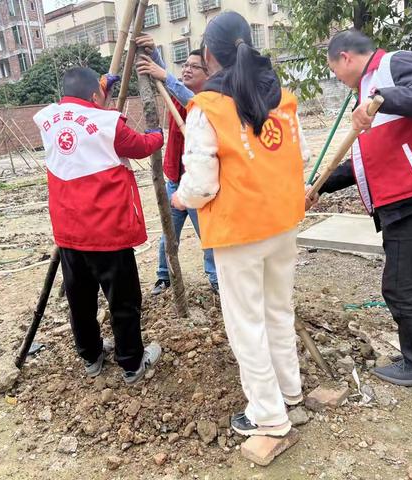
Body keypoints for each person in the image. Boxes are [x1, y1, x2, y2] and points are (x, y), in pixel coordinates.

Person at [171, 11, 308, 437]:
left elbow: (201, 185)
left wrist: (181, 197)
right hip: (283, 222)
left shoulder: (207, 107)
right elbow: (296, 156)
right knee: (277, 311)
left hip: (239, 231)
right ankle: (290, 391)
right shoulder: (281, 97)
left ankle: (267, 414)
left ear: (208, 54)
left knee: (246, 322)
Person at [33, 67, 163, 385]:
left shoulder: (48, 120)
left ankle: (91, 357)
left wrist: (103, 83)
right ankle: (132, 363)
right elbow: (143, 145)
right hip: (108, 233)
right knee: (123, 301)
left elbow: (81, 113)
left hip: (69, 234)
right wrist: (161, 133)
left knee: (80, 300)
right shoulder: (109, 125)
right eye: (100, 93)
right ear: (95, 96)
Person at [307, 29, 412, 386]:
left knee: (400, 287)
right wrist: (320, 187)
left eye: (333, 69)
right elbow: (362, 162)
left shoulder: (391, 66)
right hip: (396, 204)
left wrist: (380, 97)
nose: (335, 77)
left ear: (346, 57)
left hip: (410, 199)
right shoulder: (364, 96)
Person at [135, 34, 219, 295]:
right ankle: (164, 275)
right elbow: (172, 84)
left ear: (209, 73)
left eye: (195, 66)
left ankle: (216, 278)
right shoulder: (178, 93)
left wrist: (162, 71)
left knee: (208, 234)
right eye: (185, 65)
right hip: (174, 179)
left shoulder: (207, 99)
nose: (187, 69)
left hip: (197, 183)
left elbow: (182, 93)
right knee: (168, 235)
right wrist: (154, 53)